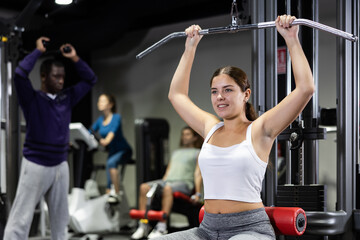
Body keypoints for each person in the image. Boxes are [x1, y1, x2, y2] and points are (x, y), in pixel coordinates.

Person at [157, 15, 315, 240]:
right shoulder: (210, 128)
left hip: (249, 229)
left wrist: (291, 39)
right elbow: (177, 95)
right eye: (214, 91)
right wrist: (190, 47)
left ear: (245, 94)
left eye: (228, 90)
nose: (220, 97)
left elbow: (305, 88)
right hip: (207, 229)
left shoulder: (260, 129)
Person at [4, 37, 97, 239]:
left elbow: (90, 80)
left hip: (60, 166)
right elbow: (20, 74)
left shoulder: (67, 97)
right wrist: (37, 51)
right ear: (44, 76)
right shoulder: (32, 99)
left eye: (63, 77)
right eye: (56, 77)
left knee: (60, 222)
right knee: (20, 220)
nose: (61, 81)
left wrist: (74, 58)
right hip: (35, 164)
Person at [131, 126, 203, 239]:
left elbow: (198, 174)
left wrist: (198, 193)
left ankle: (161, 227)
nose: (184, 137)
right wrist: (161, 184)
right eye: (183, 134)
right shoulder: (176, 152)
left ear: (195, 138)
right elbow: (168, 172)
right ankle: (143, 224)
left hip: (184, 183)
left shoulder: (198, 152)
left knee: (168, 188)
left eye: (188, 134)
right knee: (144, 187)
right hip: (168, 182)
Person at [90, 93, 132, 203]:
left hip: (123, 150)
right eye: (99, 101)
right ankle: (109, 192)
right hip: (112, 151)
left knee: (111, 163)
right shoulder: (100, 120)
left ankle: (117, 193)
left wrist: (105, 141)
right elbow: (90, 131)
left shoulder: (116, 117)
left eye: (103, 101)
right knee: (109, 163)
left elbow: (111, 134)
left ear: (110, 104)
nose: (100, 103)